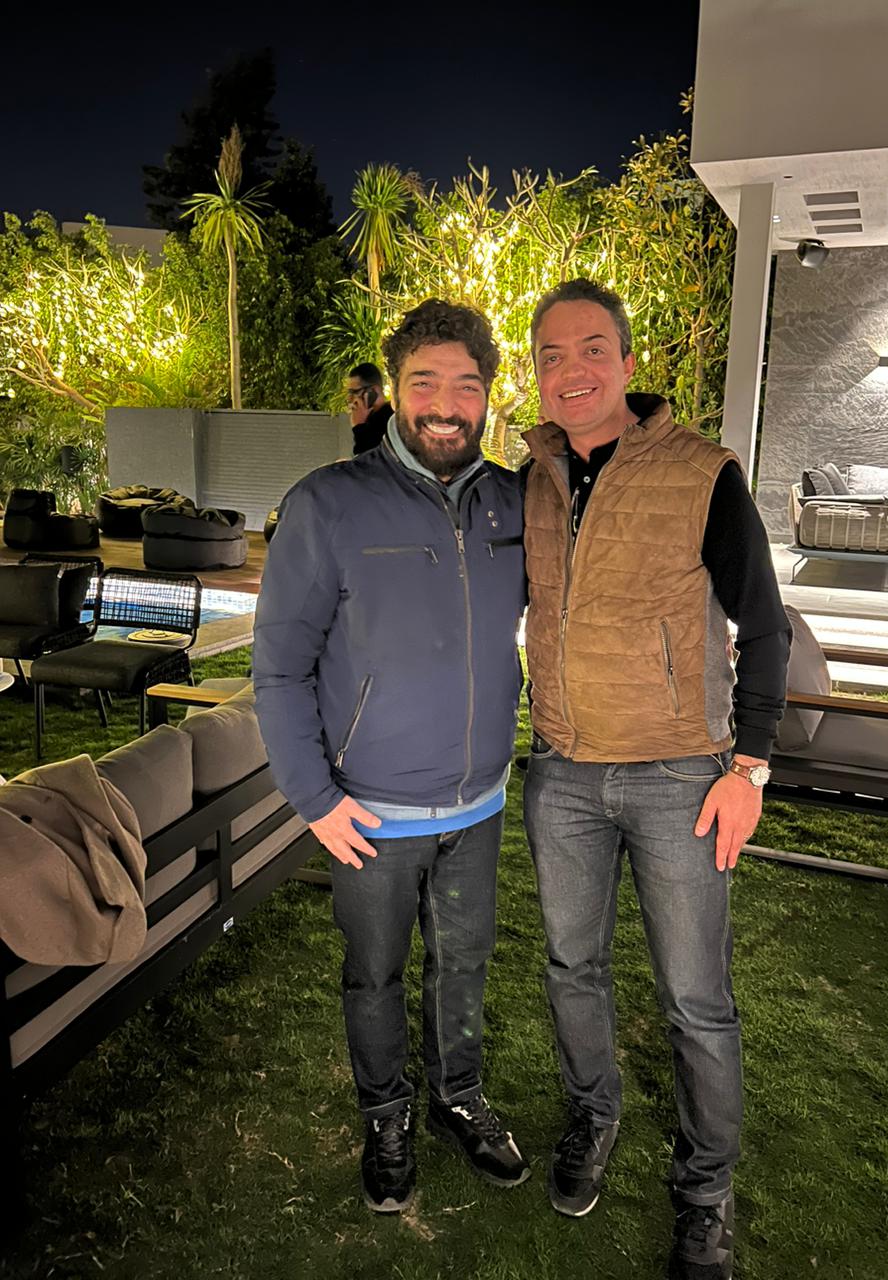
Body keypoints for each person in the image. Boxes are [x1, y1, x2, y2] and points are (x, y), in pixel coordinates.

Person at [521, 279, 791, 1278]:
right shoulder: (533, 477)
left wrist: (749, 765)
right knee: (571, 968)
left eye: (592, 349)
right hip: (563, 773)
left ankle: (706, 1193)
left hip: (681, 774)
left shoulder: (700, 472)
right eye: (551, 354)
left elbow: (767, 626)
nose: (572, 370)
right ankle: (594, 1115)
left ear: (628, 364)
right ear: (536, 374)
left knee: (696, 998)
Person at [253, 300, 530, 1214]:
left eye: (467, 385)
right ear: (395, 388)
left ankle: (458, 1095)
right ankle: (386, 1116)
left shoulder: (512, 502)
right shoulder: (327, 503)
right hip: (368, 811)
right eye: (425, 382)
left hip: (479, 805)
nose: (446, 405)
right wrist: (313, 797)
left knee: (464, 965)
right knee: (374, 975)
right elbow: (279, 668)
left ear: (488, 395)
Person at [345, 362, 393, 455]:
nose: (350, 399)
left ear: (373, 390)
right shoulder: (370, 420)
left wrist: (359, 426)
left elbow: (366, 459)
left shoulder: (390, 419)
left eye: (355, 392)